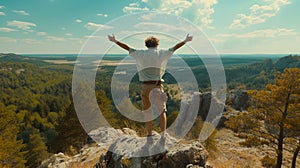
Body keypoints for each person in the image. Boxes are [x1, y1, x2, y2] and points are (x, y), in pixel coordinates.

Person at [108, 34, 193, 144]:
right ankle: (163, 136)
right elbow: (175, 47)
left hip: (145, 87)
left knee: (147, 112)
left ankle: (149, 136)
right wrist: (185, 40)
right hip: (157, 86)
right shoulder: (162, 53)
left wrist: (115, 41)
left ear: (146, 45)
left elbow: (127, 47)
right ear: (157, 44)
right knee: (162, 111)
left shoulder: (140, 54)